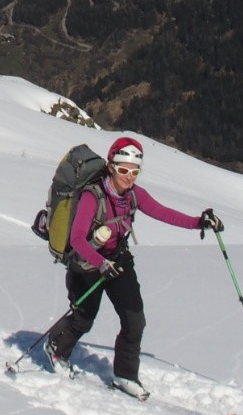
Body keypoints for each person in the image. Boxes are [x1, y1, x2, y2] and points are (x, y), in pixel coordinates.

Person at [44, 136, 223, 398]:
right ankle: (57, 349)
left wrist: (200, 222)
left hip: (118, 260)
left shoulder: (133, 196)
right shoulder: (92, 197)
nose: (129, 177)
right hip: (88, 263)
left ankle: (125, 376)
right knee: (84, 317)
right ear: (111, 166)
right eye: (124, 170)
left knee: (134, 320)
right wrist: (100, 264)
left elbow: (165, 213)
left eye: (135, 171)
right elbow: (77, 240)